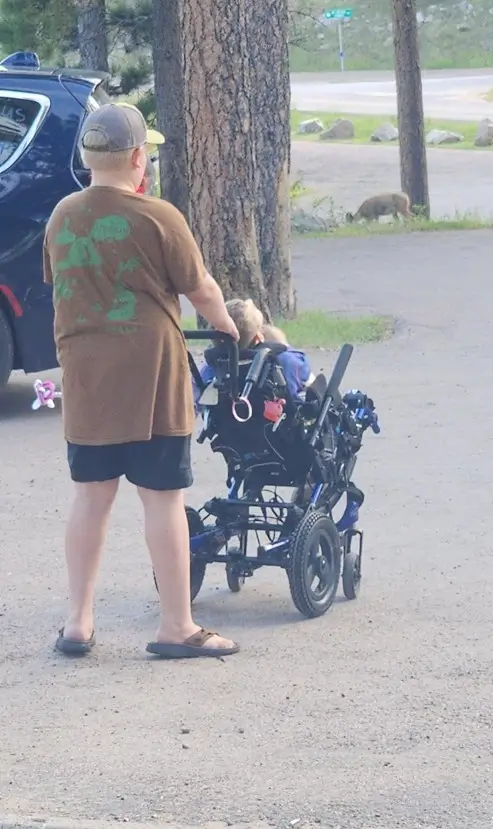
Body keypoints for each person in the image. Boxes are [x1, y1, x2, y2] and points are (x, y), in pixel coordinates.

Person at [43, 102, 241, 660]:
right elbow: (200, 288)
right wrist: (226, 326)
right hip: (152, 376)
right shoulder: (158, 216)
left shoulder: (62, 216)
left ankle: (78, 622)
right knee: (163, 500)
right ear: (137, 158)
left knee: (91, 497)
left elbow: (62, 284)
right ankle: (176, 625)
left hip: (86, 379)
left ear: (88, 157)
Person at [195, 299, 315, 404]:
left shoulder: (211, 367)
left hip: (224, 421)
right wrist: (282, 344)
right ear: (259, 338)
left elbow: (195, 399)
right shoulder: (285, 361)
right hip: (279, 419)